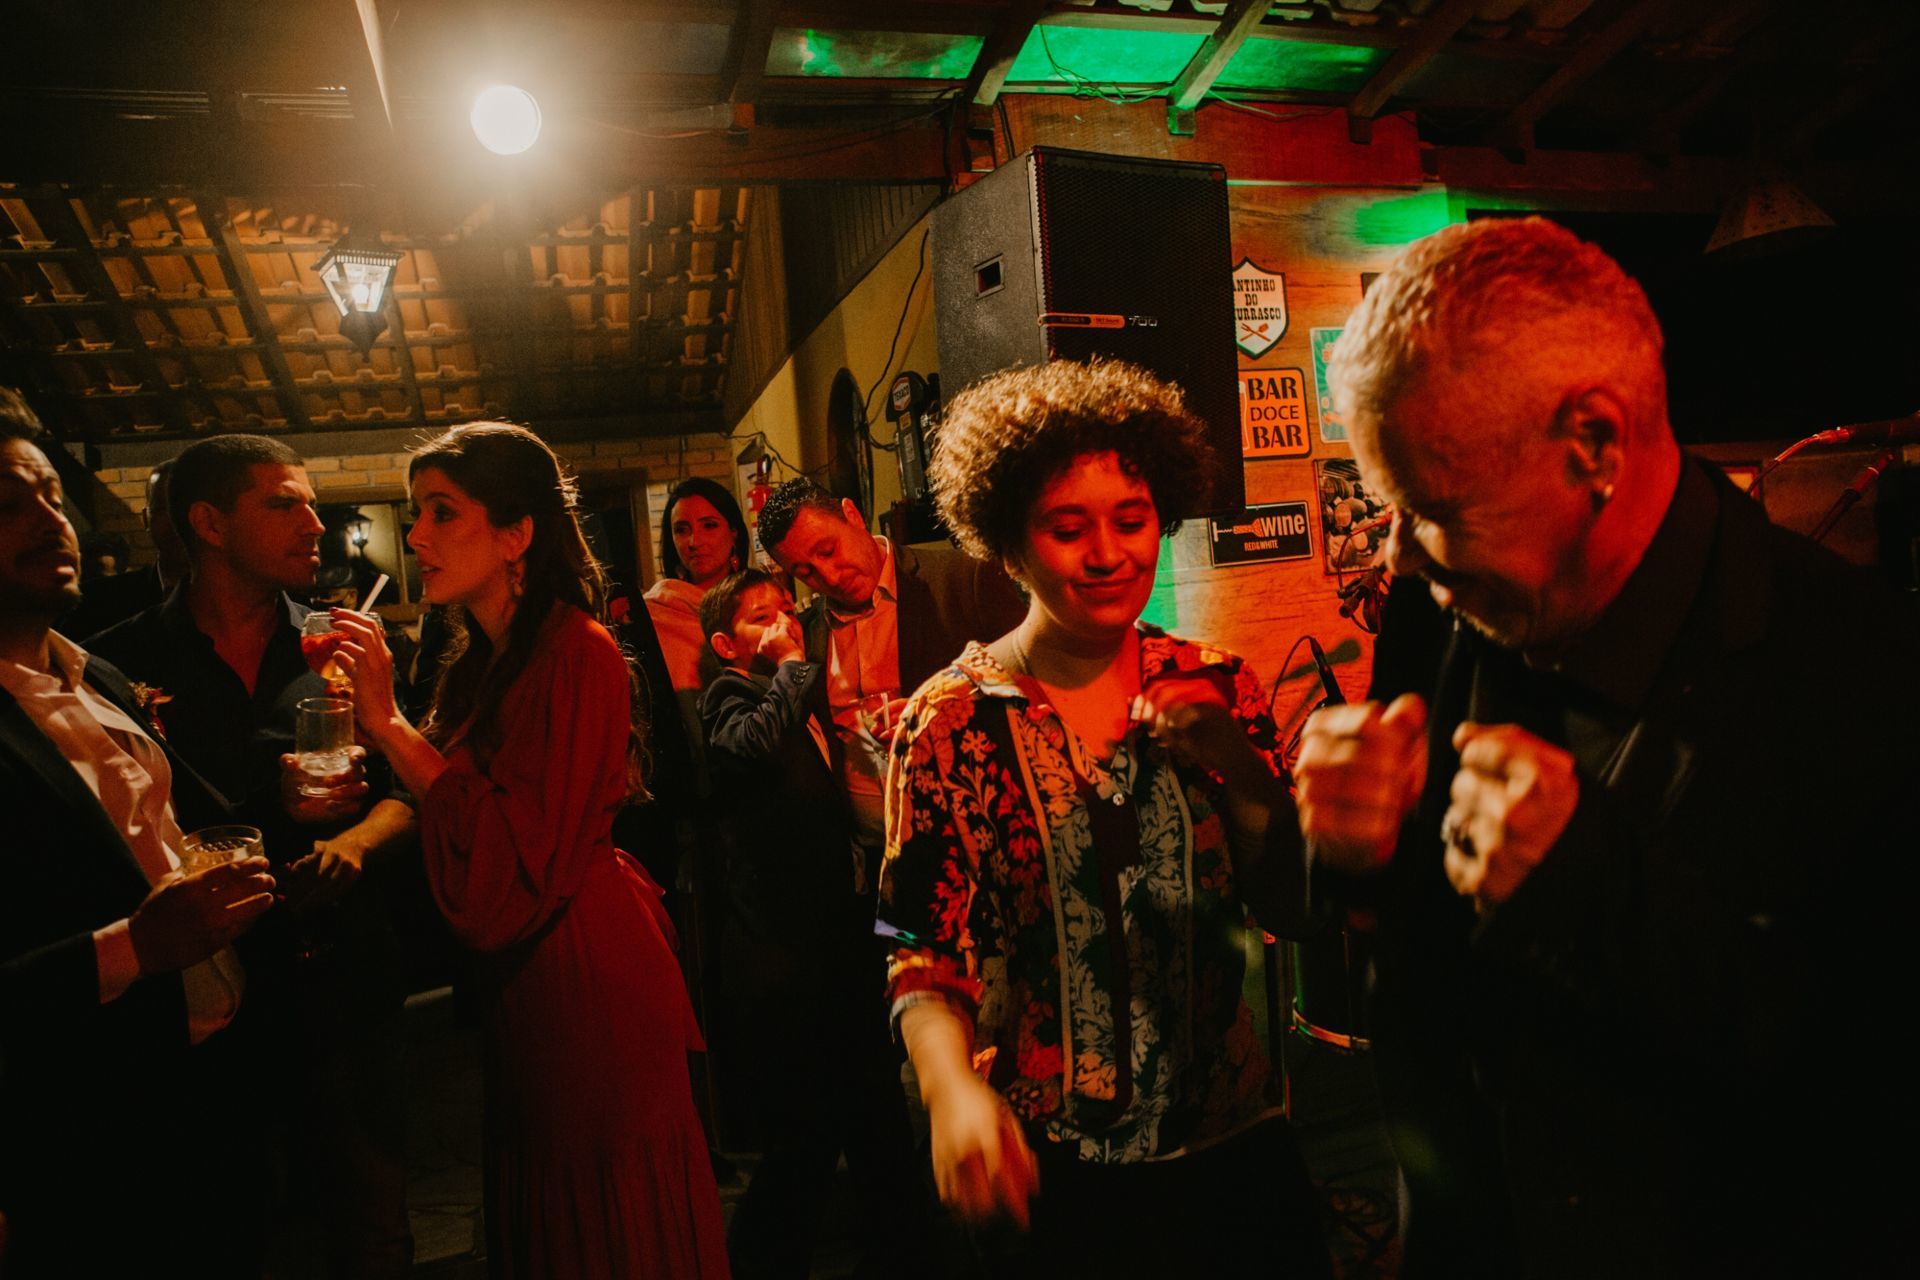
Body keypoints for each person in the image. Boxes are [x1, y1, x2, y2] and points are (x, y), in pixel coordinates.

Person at [1301, 216, 1919, 1275]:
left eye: (1432, 507)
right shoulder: (1442, 605)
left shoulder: (1867, 679)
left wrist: (1595, 891)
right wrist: (1357, 862)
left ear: (1593, 443)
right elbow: (1417, 986)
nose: (1400, 552)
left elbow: (1864, 1099)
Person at [877, 360, 1330, 1276]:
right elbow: (920, 943)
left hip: (1231, 1153)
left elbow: (1293, 906)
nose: (1109, 552)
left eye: (1132, 520)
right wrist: (950, 1091)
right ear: (1009, 546)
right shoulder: (952, 721)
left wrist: (1235, 761)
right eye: (1067, 528)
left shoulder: (1220, 681)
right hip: (1055, 1171)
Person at [328, 422, 728, 1278]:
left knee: (606, 1212)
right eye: (413, 514)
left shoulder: (577, 653)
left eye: (443, 513)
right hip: (529, 964)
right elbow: (446, 806)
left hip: (584, 958)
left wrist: (389, 724)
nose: (418, 538)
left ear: (516, 534)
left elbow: (517, 844)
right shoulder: (484, 659)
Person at [87, 433, 416, 1277]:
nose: (315, 522)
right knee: (223, 1228)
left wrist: (351, 839)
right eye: (285, 503)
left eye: (311, 503)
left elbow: (412, 789)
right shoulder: (118, 665)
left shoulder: (345, 648)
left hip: (338, 974)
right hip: (203, 991)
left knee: (370, 1217)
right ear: (209, 523)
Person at [0, 389, 278, 1275]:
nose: (50, 520)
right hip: (86, 1124)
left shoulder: (96, 676)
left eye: (51, 495)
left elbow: (201, 820)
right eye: (10, 505)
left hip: (205, 1084)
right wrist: (135, 947)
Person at [698, 569, 890, 1277]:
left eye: (785, 610)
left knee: (871, 1114)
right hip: (784, 958)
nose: (781, 623)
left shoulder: (803, 696)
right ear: (725, 644)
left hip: (839, 943)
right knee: (802, 1139)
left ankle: (903, 1248)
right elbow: (744, 746)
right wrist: (784, 666)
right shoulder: (732, 693)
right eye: (759, 618)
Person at [59, 456, 188, 638]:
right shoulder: (97, 602)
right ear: (146, 518)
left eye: (186, 508)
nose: (176, 521)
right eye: (162, 509)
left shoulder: (238, 599)